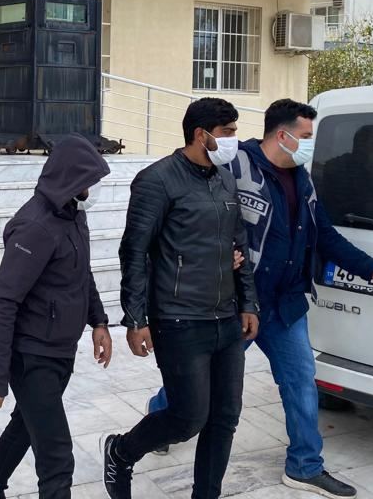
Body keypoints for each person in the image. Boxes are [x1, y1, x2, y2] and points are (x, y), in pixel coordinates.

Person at [225, 100, 373, 497]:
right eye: (307, 136)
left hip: (286, 304)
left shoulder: (302, 179)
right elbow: (203, 217)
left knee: (301, 383)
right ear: (283, 135)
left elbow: (323, 235)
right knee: (206, 384)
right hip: (240, 304)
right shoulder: (236, 167)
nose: (311, 144)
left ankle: (304, 466)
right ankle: (163, 419)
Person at [102, 98, 260, 499]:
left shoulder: (225, 180)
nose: (234, 140)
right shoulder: (157, 180)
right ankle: (121, 451)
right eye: (227, 132)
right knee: (188, 417)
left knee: (225, 417)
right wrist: (135, 318)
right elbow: (134, 251)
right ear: (200, 134)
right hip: (179, 318)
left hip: (225, 317)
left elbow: (238, 246)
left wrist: (248, 303)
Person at [0, 134, 114, 499]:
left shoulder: (73, 215)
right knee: (57, 459)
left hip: (60, 350)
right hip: (32, 355)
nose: (94, 189)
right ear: (72, 179)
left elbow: (80, 273)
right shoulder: (35, 227)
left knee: (26, 425)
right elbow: (2, 302)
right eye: (90, 181)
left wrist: (98, 321)